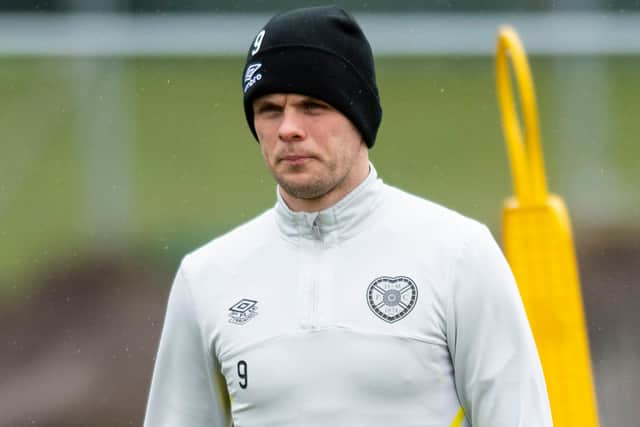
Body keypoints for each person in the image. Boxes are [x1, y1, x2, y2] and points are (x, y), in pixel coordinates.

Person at [143, 6, 552, 427]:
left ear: (359, 116)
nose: (288, 128)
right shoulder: (206, 278)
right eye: (269, 109)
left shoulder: (460, 255)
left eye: (312, 106)